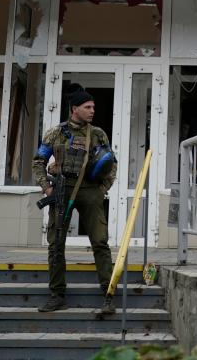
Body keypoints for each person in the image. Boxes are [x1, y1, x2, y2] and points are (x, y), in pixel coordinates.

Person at [32, 87, 117, 315]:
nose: (92, 111)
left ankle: (108, 295)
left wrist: (102, 190)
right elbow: (38, 161)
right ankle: (57, 295)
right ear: (74, 109)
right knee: (56, 243)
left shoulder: (98, 134)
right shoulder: (55, 133)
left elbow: (111, 163)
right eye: (87, 107)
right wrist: (47, 188)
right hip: (61, 190)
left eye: (93, 107)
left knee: (100, 242)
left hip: (89, 191)